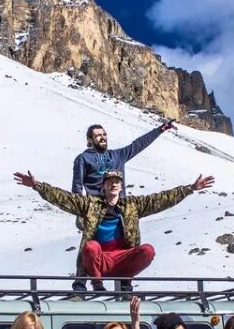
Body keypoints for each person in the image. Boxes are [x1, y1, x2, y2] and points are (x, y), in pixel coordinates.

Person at [14, 168, 214, 292]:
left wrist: (189, 188)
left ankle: (126, 280)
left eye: (117, 182)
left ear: (121, 186)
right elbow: (64, 198)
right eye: (110, 182)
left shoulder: (132, 206)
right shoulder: (91, 204)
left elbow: (160, 200)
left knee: (147, 251)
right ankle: (97, 284)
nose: (113, 185)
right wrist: (38, 186)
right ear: (104, 186)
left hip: (122, 258)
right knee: (91, 247)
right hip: (99, 261)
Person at [70, 121, 174, 291]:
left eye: (104, 134)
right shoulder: (83, 159)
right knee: (89, 247)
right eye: (98, 135)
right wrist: (80, 212)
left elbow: (138, 145)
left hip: (119, 209)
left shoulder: (117, 155)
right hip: (96, 210)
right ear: (90, 139)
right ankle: (84, 285)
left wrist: (160, 130)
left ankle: (125, 285)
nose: (102, 138)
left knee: (129, 241)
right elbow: (77, 187)